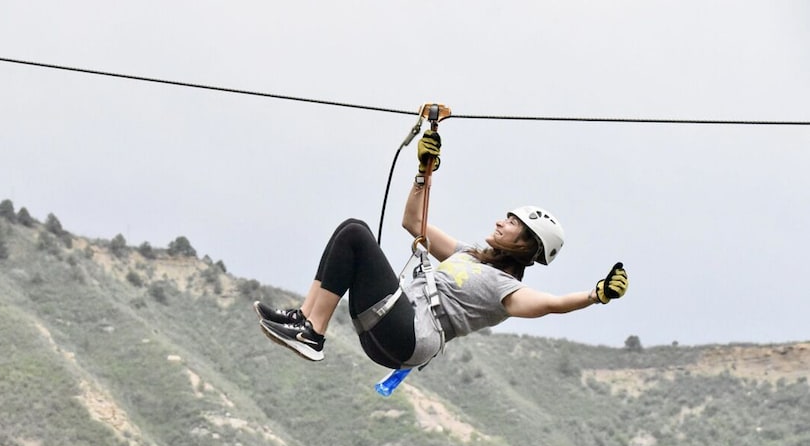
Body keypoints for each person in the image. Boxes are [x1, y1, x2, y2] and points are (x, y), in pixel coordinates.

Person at [254, 130, 628, 369]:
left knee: (355, 234)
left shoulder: (506, 290)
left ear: (527, 245)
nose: (501, 222)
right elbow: (412, 223)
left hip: (409, 336)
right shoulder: (467, 254)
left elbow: (552, 304)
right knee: (349, 231)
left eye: (512, 223)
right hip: (390, 329)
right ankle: (306, 320)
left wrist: (596, 295)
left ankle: (312, 332)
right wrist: (423, 173)